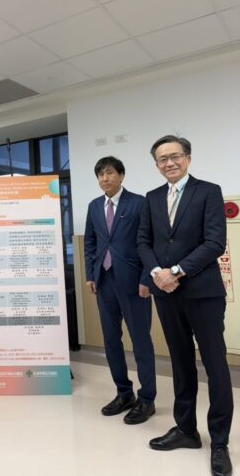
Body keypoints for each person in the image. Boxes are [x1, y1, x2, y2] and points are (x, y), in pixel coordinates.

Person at [137, 135, 233, 476]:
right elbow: (143, 242)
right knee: (180, 363)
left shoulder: (208, 191)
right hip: (167, 295)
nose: (169, 163)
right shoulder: (152, 198)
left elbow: (215, 242)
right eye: (162, 159)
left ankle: (219, 441)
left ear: (188, 158)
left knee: (215, 365)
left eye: (175, 156)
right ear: (156, 165)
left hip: (203, 293)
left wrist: (176, 271)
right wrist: (157, 274)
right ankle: (186, 430)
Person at [84, 156, 156, 424]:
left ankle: (147, 399)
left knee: (141, 341)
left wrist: (147, 278)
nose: (105, 178)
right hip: (104, 282)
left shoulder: (139, 203)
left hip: (134, 283)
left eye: (110, 173)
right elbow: (90, 243)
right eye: (100, 174)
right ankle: (124, 393)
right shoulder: (94, 206)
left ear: (121, 175)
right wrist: (90, 274)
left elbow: (149, 242)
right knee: (111, 341)